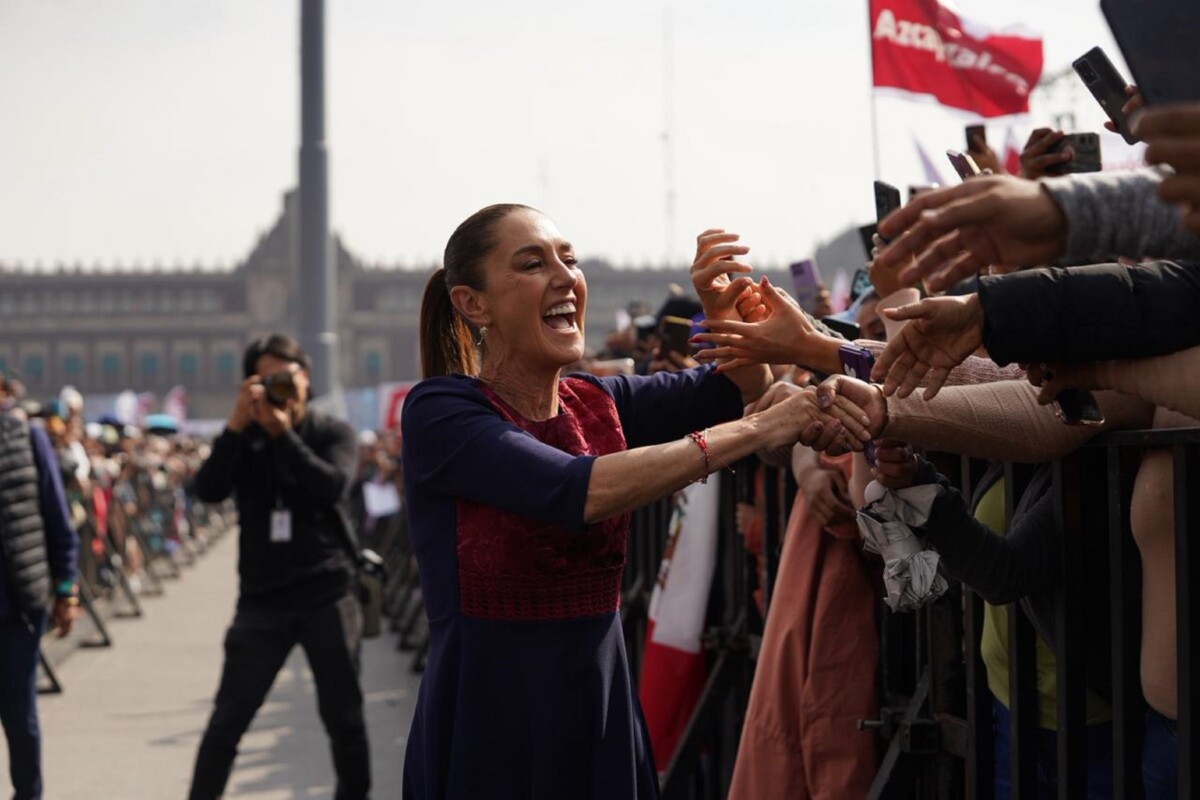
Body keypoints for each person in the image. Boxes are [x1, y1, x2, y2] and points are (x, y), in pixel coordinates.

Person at [399, 205, 871, 799]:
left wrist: (724, 319)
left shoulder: (598, 402)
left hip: (599, 715)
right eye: (532, 264)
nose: (565, 277)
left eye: (569, 260)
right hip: (491, 720)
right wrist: (761, 429)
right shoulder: (440, 412)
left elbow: (740, 389)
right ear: (473, 303)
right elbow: (576, 488)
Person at [187, 334, 370, 800]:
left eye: (286, 377)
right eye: (266, 380)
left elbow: (331, 487)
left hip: (328, 593)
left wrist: (283, 435)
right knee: (226, 723)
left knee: (345, 721)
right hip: (262, 600)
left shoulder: (332, 432)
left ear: (305, 377)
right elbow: (207, 490)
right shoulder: (244, 435)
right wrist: (235, 425)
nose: (278, 389)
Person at [0, 374, 80, 800]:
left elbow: (59, 522)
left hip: (18, 606)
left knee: (19, 717)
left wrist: (66, 589)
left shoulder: (28, 438)